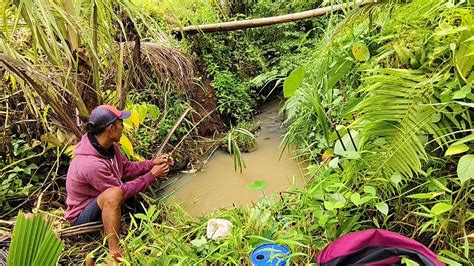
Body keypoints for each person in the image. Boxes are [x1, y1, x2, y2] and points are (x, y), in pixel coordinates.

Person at [64, 105, 172, 261]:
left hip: (100, 204)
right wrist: (151, 176)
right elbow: (120, 193)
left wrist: (152, 163)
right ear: (111, 128)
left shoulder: (111, 147)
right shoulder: (91, 164)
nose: (123, 127)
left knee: (118, 195)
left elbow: (126, 169)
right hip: (81, 219)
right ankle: (114, 254)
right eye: (121, 123)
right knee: (114, 194)